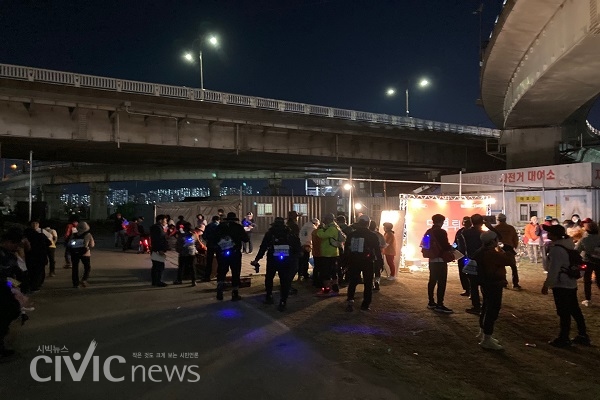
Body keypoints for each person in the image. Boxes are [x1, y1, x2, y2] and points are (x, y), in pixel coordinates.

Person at [541, 224, 591, 347]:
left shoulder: (557, 249)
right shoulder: (568, 245)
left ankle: (564, 338)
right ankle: (583, 335)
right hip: (570, 283)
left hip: (561, 284)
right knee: (574, 309)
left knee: (563, 312)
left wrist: (547, 284)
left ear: (555, 235)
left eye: (550, 232)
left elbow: (553, 269)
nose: (547, 234)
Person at [472, 230, 515, 350]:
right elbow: (509, 261)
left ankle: (483, 333)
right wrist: (507, 251)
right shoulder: (492, 254)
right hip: (494, 283)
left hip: (485, 283)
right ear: (492, 241)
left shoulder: (480, 252)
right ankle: (487, 338)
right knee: (493, 310)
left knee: (486, 307)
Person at [252, 217, 301, 311]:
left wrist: (257, 259)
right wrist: (294, 258)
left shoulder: (270, 233)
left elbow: (263, 247)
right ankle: (283, 301)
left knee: (269, 278)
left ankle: (269, 296)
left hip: (272, 259)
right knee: (284, 281)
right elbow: (297, 247)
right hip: (286, 260)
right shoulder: (290, 233)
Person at [344, 215, 381, 311]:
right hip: (368, 261)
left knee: (353, 282)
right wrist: (380, 263)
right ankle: (365, 304)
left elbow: (346, 249)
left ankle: (350, 300)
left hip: (354, 260)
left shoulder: (352, 234)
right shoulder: (372, 235)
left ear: (359, 222)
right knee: (368, 283)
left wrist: (345, 262)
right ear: (368, 223)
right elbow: (377, 250)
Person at [0, 227, 27, 359]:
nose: (17, 247)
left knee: (11, 313)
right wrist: (12, 284)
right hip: (3, 290)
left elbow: (16, 273)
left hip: (7, 290)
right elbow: (4, 278)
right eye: (15, 243)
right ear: (8, 241)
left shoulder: (11, 254)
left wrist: (20, 283)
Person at [423, 214, 454, 313]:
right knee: (442, 282)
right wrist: (453, 248)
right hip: (441, 260)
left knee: (432, 280)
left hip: (432, 260)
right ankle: (440, 304)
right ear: (441, 221)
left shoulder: (428, 232)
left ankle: (431, 302)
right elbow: (446, 246)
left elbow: (424, 245)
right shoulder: (442, 232)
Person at [215, 212, 249, 301]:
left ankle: (220, 289)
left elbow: (213, 238)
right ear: (235, 219)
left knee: (222, 271)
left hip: (222, 253)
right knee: (235, 272)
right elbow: (246, 239)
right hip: (235, 253)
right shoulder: (238, 227)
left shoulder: (220, 227)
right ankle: (235, 293)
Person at [316, 213, 342, 295]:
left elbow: (321, 235)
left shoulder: (331, 228)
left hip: (329, 253)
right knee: (333, 271)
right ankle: (334, 288)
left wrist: (320, 229)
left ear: (328, 219)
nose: (324, 220)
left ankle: (327, 289)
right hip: (332, 253)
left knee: (326, 272)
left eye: (325, 219)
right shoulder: (333, 227)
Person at [575, 220, 600, 307]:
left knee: (587, 280)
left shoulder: (584, 240)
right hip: (599, 262)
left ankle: (588, 299)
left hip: (588, 261)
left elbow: (576, 251)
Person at [494, 213, 521, 290]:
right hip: (509, 249)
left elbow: (493, 240)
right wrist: (514, 247)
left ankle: (503, 282)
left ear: (498, 220)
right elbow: (515, 239)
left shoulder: (495, 228)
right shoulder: (510, 228)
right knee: (513, 266)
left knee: (500, 266)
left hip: (499, 250)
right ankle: (515, 283)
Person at [24, 220, 51, 292]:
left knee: (31, 271)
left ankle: (31, 285)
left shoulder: (26, 238)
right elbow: (49, 243)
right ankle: (36, 285)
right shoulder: (40, 235)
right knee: (39, 271)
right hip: (41, 255)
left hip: (30, 256)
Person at [68, 221, 94, 288]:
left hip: (74, 252)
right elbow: (92, 245)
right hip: (85, 253)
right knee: (87, 267)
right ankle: (84, 279)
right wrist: (87, 247)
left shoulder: (74, 234)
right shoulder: (88, 234)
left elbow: (70, 243)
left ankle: (75, 283)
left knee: (75, 267)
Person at [174, 222, 200, 287]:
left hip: (183, 252)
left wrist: (178, 250)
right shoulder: (194, 234)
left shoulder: (181, 235)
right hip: (192, 252)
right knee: (192, 267)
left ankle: (179, 280)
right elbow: (197, 243)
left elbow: (178, 244)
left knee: (181, 267)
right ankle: (194, 280)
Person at [454, 216, 472, 296]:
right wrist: (452, 251)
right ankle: (467, 289)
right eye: (465, 222)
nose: (466, 223)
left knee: (471, 274)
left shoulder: (474, 232)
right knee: (462, 273)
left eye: (467, 222)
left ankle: (472, 290)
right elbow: (455, 243)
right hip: (461, 255)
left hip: (471, 256)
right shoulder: (460, 232)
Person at [149, 215, 169, 287]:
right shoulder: (157, 228)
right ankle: (158, 281)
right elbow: (158, 239)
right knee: (159, 266)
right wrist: (159, 249)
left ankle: (156, 281)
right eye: (165, 220)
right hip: (157, 249)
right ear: (160, 220)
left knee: (157, 266)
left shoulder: (158, 227)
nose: (166, 222)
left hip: (156, 249)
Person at [369, 220, 386, 291]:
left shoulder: (366, 234)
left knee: (369, 271)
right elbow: (383, 244)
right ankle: (376, 283)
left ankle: (370, 284)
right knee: (377, 270)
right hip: (377, 255)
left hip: (368, 256)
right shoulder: (379, 235)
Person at [202, 215, 221, 282]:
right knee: (220, 261)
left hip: (210, 245)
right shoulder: (220, 226)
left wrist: (208, 240)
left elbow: (204, 236)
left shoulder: (208, 226)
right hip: (218, 246)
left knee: (209, 261)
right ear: (218, 220)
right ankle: (219, 276)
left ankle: (207, 276)